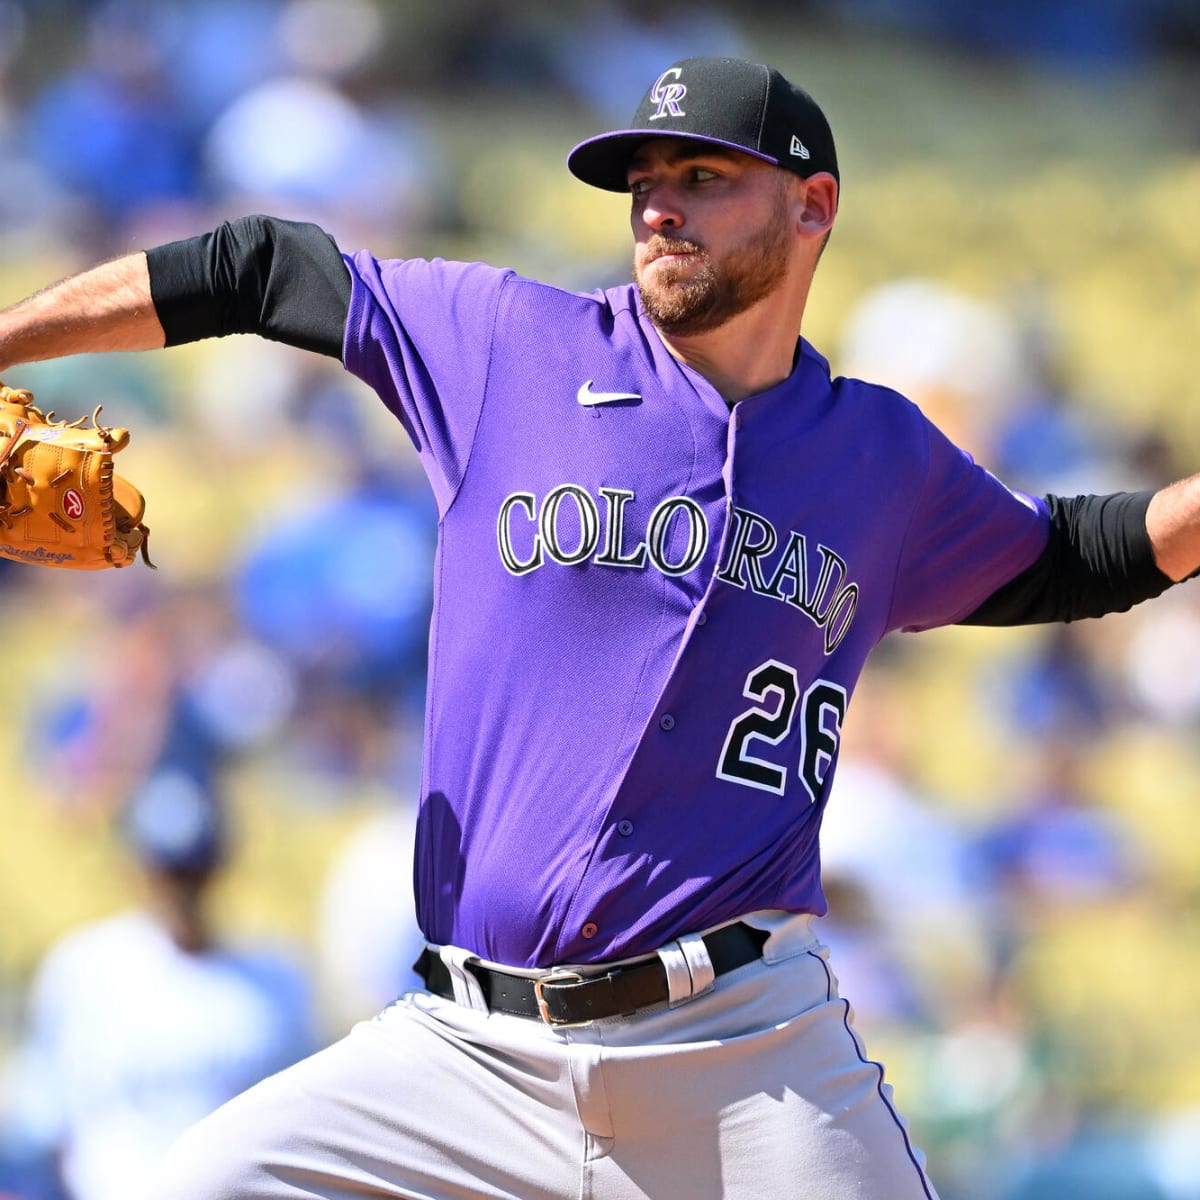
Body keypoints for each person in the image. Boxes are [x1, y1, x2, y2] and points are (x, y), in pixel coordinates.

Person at [0, 54, 1195, 1200]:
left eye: (703, 179)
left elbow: (1079, 554)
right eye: (645, 184)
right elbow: (259, 265)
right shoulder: (506, 344)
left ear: (812, 204)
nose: (660, 210)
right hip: (465, 1052)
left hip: (743, 1055)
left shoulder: (879, 458)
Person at [1, 771, 317, 1200]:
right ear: (137, 869)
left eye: (193, 870)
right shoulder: (83, 971)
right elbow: (41, 1122)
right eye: (167, 871)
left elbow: (302, 1130)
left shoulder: (276, 979)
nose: (180, 888)